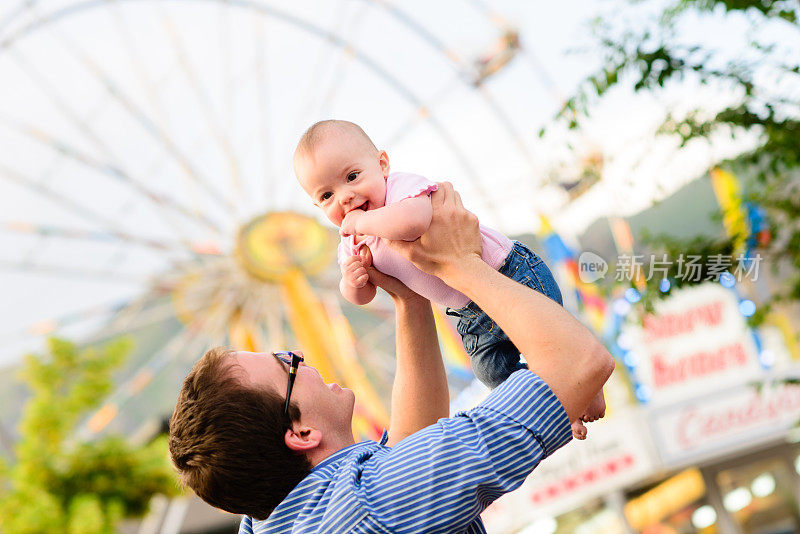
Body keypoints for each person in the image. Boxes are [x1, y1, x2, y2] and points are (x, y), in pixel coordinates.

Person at [168, 183, 615, 533]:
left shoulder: (273, 519)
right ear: (301, 432)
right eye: (287, 363)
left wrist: (408, 296)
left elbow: (408, 449)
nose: (300, 353)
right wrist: (459, 263)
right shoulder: (375, 507)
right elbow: (579, 363)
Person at [293, 119, 605, 438]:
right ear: (317, 206)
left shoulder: (400, 190)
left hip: (509, 275)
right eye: (327, 195)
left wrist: (364, 221)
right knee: (492, 372)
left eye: (352, 177)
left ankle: (585, 381)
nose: (344, 197)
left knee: (545, 342)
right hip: (470, 314)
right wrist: (353, 281)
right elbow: (361, 297)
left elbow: (413, 222)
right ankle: (562, 404)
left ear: (382, 164)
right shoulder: (350, 239)